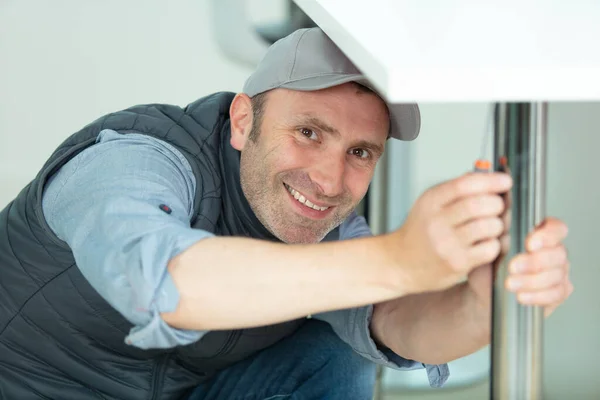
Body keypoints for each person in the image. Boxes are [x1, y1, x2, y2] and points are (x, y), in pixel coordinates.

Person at [0, 27, 572, 400]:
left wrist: (487, 303)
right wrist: (402, 258)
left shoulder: (323, 220)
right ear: (244, 120)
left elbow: (395, 323)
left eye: (359, 153)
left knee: (337, 351)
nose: (328, 180)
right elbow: (163, 284)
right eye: (307, 132)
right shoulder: (132, 161)